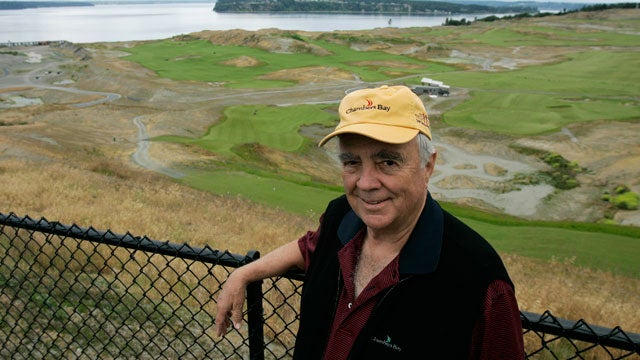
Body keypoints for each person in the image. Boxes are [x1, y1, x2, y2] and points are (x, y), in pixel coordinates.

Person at [214, 85, 525, 359]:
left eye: (387, 162)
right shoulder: (341, 218)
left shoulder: (478, 281)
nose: (365, 183)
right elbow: (309, 247)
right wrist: (244, 273)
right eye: (351, 162)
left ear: (428, 165)